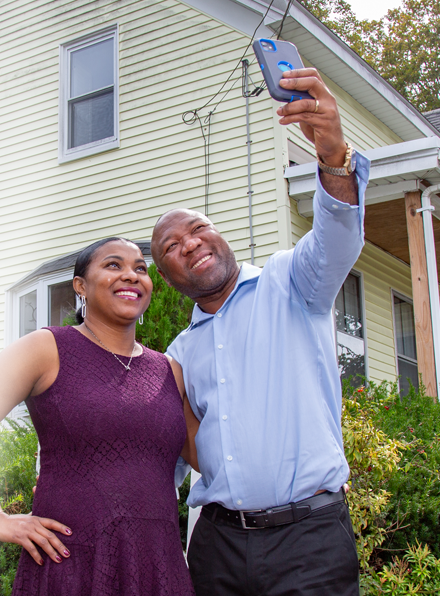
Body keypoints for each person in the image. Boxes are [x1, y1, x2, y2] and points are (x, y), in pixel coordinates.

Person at [151, 68, 369, 595]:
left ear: (218, 234)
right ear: (167, 276)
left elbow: (337, 238)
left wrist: (333, 156)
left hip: (310, 540)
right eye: (171, 246)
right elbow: (167, 457)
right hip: (218, 546)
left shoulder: (291, 283)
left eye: (198, 227)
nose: (190, 243)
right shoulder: (178, 356)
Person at [0, 237, 199, 595]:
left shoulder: (169, 370)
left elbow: (210, 457)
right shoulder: (45, 348)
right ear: (81, 287)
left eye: (141, 268)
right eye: (113, 265)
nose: (131, 275)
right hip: (72, 565)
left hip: (158, 567)